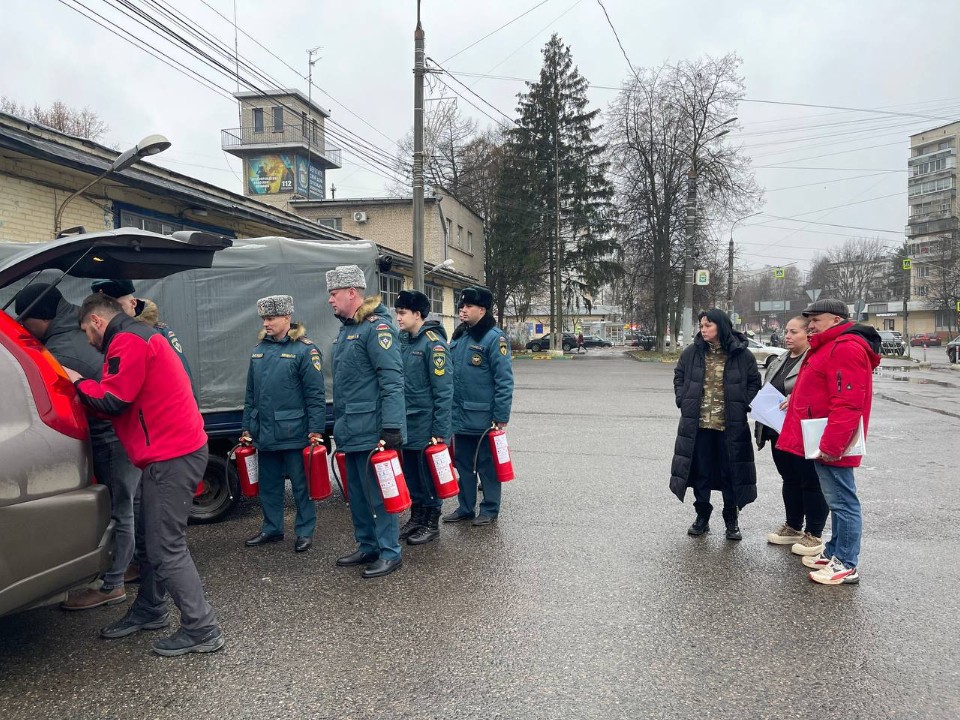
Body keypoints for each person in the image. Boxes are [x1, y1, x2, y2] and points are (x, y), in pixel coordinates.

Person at [66, 293, 223, 656]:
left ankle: (202, 629)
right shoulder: (135, 337)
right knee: (152, 541)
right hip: (165, 454)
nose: (87, 340)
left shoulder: (128, 341)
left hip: (171, 455)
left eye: (86, 331)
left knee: (166, 546)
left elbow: (114, 400)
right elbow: (122, 403)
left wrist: (77, 382)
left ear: (97, 321)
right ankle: (150, 609)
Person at [14, 283, 141, 610]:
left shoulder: (59, 350)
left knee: (118, 510)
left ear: (41, 318)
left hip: (109, 436)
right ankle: (130, 565)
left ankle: (113, 584)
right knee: (127, 504)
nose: (22, 327)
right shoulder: (76, 324)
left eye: (25, 321)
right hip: (121, 432)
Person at [777, 298, 880, 585]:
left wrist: (833, 446)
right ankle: (834, 551)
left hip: (833, 443)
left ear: (836, 320)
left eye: (816, 320)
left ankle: (846, 563)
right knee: (836, 500)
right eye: (809, 320)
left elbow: (848, 402)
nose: (810, 325)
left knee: (843, 502)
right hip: (823, 439)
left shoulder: (845, 347)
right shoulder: (828, 345)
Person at [326, 265, 406, 578]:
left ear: (352, 293)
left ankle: (389, 552)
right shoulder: (347, 330)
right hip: (351, 428)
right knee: (357, 495)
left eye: (334, 294)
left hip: (373, 430)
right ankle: (368, 545)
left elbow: (392, 381)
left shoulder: (377, 328)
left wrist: (392, 427)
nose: (330, 300)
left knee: (378, 493)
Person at [241, 295, 325, 554]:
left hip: (293, 432)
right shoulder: (258, 350)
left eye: (271, 318)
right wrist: (247, 427)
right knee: (269, 485)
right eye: (264, 319)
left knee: (301, 486)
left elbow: (315, 395)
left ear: (287, 317)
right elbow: (250, 394)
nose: (266, 323)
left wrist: (316, 430)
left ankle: (304, 531)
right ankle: (272, 528)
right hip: (264, 432)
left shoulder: (305, 350)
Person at [670, 308, 762, 540]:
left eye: (708, 325)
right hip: (698, 425)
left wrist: (744, 404)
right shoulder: (692, 352)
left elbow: (754, 382)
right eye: (702, 325)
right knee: (700, 472)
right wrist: (683, 399)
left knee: (730, 472)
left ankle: (731, 519)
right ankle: (702, 516)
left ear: (721, 326)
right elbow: (679, 376)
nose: (703, 329)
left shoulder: (742, 354)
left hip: (730, 425)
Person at [755, 316, 829, 556]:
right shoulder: (780, 360)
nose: (787, 336)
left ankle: (813, 533)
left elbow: (821, 392)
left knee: (811, 481)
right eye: (786, 331)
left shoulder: (815, 360)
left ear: (808, 334)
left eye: (793, 332)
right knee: (789, 479)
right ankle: (793, 526)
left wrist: (797, 399)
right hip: (778, 430)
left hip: (803, 430)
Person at [443, 285, 515, 526]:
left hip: (484, 417)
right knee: (463, 464)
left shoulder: (494, 338)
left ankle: (490, 509)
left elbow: (504, 380)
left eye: (468, 306)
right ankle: (465, 507)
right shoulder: (460, 336)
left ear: (482, 310)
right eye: (461, 306)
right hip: (459, 414)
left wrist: (500, 416)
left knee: (486, 464)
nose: (462, 310)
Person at [394, 290, 453, 546]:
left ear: (417, 314)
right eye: (397, 313)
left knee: (427, 475)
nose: (398, 318)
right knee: (411, 474)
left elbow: (444, 391)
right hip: (406, 423)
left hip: (426, 424)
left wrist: (440, 430)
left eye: (402, 313)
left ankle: (431, 523)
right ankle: (417, 517)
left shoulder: (433, 345)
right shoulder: (403, 341)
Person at [92, 279, 192, 380]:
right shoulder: (102, 337)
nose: (110, 313)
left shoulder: (157, 332)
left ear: (133, 303)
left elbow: (183, 374)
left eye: (117, 306)